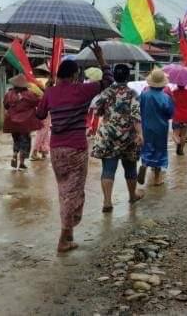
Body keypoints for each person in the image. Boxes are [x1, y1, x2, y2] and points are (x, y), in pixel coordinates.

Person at [36, 45, 111, 253]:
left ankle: (68, 236)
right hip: (76, 148)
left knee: (64, 190)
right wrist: (102, 59)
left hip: (56, 149)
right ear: (75, 75)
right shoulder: (82, 90)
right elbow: (107, 82)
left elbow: (40, 116)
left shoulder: (50, 92)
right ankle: (63, 237)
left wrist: (47, 91)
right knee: (74, 192)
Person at [91, 64, 144, 212]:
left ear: (114, 76)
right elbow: (135, 116)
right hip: (128, 136)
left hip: (107, 135)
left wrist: (105, 111)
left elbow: (95, 108)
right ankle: (132, 196)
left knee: (108, 169)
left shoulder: (107, 92)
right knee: (130, 168)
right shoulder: (133, 93)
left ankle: (107, 202)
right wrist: (140, 134)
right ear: (128, 76)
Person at [138, 69, 175, 186]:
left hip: (146, 126)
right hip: (161, 127)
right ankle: (157, 179)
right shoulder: (166, 97)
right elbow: (170, 113)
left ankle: (144, 164)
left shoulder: (143, 95)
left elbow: (138, 110)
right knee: (160, 151)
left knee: (147, 147)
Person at [3, 74, 41, 170]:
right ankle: (22, 164)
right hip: (25, 123)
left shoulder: (9, 94)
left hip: (12, 123)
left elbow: (6, 106)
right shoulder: (30, 94)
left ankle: (15, 154)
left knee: (16, 140)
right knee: (25, 142)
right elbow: (38, 102)